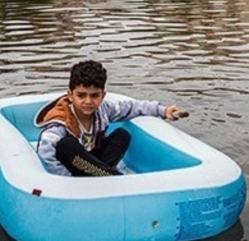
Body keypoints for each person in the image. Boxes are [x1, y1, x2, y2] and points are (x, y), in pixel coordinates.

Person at [34, 60, 185, 177]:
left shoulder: (103, 110)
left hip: (94, 163)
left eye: (94, 96)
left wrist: (162, 110)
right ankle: (109, 177)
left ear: (102, 96)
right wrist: (68, 180)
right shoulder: (61, 121)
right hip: (75, 167)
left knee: (122, 134)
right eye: (81, 95)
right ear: (70, 95)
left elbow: (131, 107)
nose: (88, 101)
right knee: (66, 145)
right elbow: (45, 153)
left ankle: (102, 175)